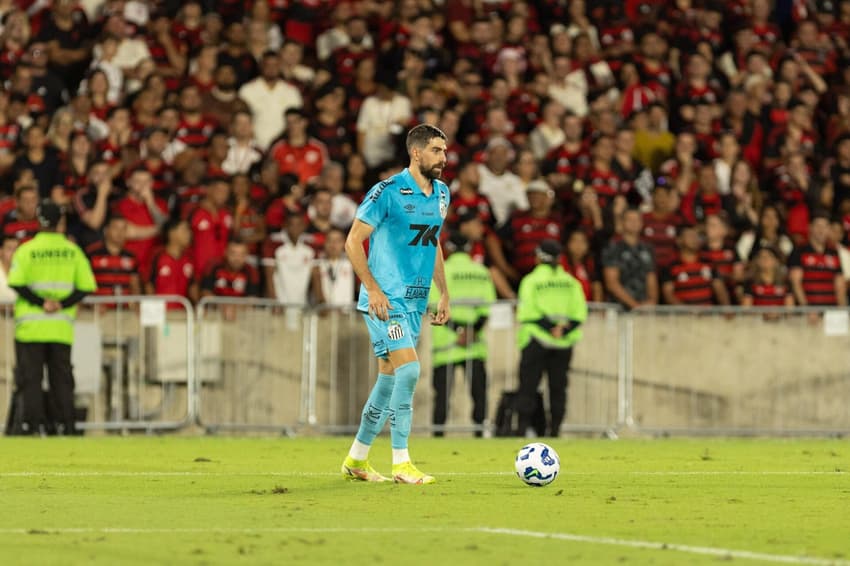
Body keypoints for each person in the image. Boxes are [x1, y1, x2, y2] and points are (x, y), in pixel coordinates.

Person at [341, 124, 450, 485]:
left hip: (416, 301)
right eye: (436, 150)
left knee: (388, 377)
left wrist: (443, 293)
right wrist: (372, 289)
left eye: (445, 151)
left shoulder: (442, 194)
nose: (444, 158)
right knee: (410, 370)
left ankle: (356, 459)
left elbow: (432, 243)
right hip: (387, 301)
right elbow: (353, 242)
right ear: (416, 153)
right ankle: (402, 462)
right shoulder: (386, 191)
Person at [7, 201, 96, 435]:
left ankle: (33, 426)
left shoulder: (27, 249)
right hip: (60, 327)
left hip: (31, 326)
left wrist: (41, 303)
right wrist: (61, 304)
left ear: (38, 220)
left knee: (31, 379)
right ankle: (65, 426)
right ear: (59, 221)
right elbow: (86, 286)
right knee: (62, 380)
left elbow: (16, 283)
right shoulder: (72, 251)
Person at [515, 240, 588, 438]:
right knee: (558, 389)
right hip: (564, 342)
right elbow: (580, 312)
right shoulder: (571, 282)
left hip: (536, 339)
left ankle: (522, 430)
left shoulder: (531, 281)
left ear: (538, 257)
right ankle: (555, 431)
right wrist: (562, 330)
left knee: (528, 387)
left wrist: (549, 328)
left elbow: (527, 311)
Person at [429, 232, 496, 438]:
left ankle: (438, 436)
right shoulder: (481, 272)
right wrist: (471, 332)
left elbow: (433, 305)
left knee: (442, 397)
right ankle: (480, 434)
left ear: (447, 248)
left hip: (446, 345)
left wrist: (458, 331)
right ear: (469, 248)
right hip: (474, 346)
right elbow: (487, 307)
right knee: (479, 395)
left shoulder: (441, 271)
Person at [601, 208, 658, 309]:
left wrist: (652, 302)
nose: (634, 223)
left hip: (644, 310)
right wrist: (635, 306)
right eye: (630, 220)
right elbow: (612, 283)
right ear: (622, 222)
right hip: (619, 309)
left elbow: (651, 277)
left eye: (637, 220)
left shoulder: (647, 248)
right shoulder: (613, 248)